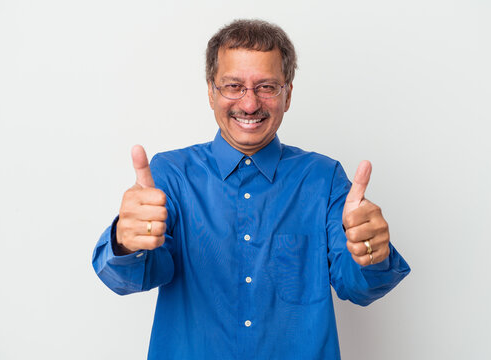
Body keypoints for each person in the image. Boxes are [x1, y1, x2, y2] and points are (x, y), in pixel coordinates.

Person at [92, 19, 410, 359]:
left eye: (267, 87)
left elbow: (359, 287)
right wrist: (125, 243)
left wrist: (372, 252)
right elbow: (126, 279)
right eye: (233, 86)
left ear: (287, 94)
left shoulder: (324, 179)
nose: (249, 104)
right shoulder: (171, 175)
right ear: (211, 93)